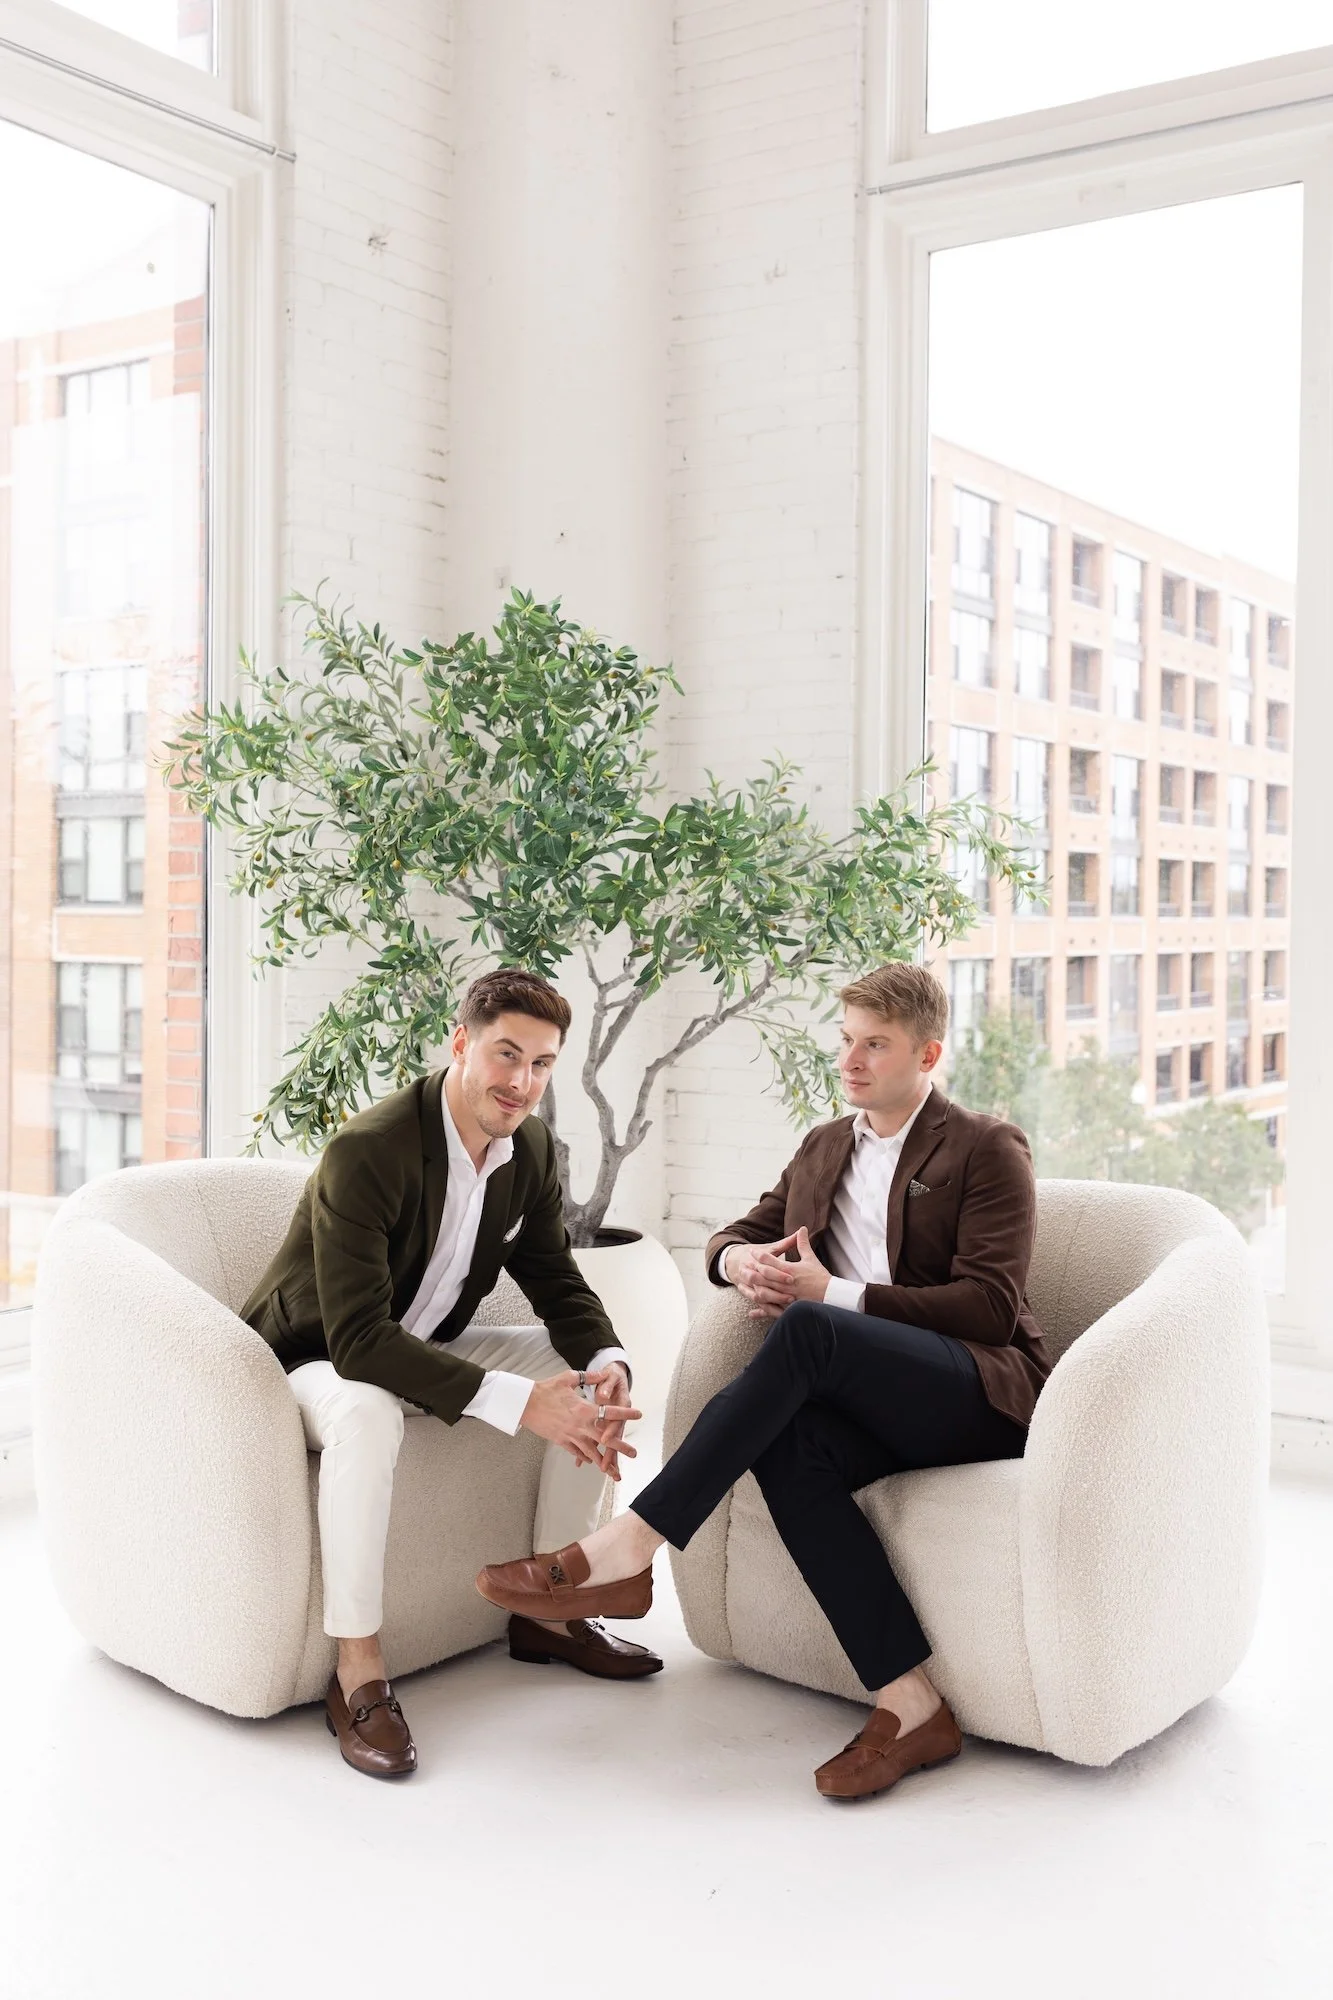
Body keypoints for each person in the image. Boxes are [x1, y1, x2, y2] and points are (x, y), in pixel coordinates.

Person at [477, 962, 1051, 1803]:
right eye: (845, 1040)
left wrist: (833, 1294)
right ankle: (911, 1704)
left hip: (975, 1394)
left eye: (875, 1045)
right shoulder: (825, 1147)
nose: (850, 1061)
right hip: (871, 1402)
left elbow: (991, 1308)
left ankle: (631, 1546)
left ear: (927, 1054)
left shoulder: (982, 1147)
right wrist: (739, 1261)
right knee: (788, 1446)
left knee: (811, 1327)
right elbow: (733, 1236)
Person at [241, 967, 658, 1781]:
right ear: (461, 1042)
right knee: (368, 1414)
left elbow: (554, 1277)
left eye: (541, 1064)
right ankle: (357, 1669)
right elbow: (360, 1341)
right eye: (506, 1054)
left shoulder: (530, 1148)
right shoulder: (371, 1150)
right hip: (314, 1356)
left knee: (581, 1379)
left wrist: (606, 1361)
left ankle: (551, 1612)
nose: (522, 1083)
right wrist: (517, 1403)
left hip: (421, 1342)